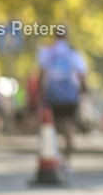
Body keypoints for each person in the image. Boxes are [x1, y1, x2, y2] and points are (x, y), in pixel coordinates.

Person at [38, 29, 88, 171]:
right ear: (66, 35)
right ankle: (67, 161)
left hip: (52, 94)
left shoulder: (47, 52)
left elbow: (41, 75)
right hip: (70, 95)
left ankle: (57, 158)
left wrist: (40, 95)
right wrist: (83, 92)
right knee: (68, 127)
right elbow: (82, 75)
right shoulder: (73, 53)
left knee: (53, 129)